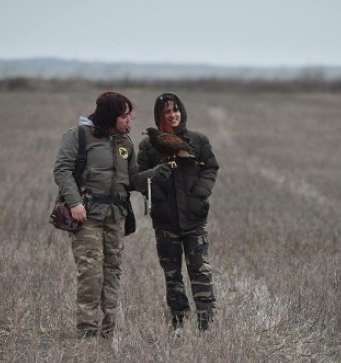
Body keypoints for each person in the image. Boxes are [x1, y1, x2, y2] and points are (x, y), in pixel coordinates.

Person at [53, 91, 137, 341]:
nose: (129, 120)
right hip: (86, 216)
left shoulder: (125, 143)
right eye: (124, 115)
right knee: (91, 273)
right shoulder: (78, 136)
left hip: (116, 216)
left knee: (113, 271)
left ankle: (111, 332)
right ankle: (87, 333)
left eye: (130, 115)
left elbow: (133, 178)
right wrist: (75, 203)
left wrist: (159, 172)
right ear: (111, 115)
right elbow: (62, 170)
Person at [134, 92, 219, 332]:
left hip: (194, 219)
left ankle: (206, 324)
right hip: (165, 222)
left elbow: (211, 167)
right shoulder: (148, 145)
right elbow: (138, 180)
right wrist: (156, 188)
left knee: (201, 272)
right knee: (172, 275)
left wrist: (200, 195)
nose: (172, 115)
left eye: (175, 110)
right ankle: (178, 322)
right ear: (159, 116)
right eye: (166, 112)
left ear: (181, 111)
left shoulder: (198, 140)